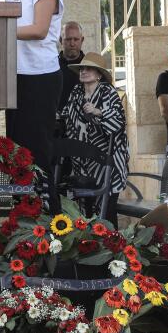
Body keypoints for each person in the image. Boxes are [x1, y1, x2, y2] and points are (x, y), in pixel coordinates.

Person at [4, 0, 63, 188]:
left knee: (36, 152)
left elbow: (39, 29)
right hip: (14, 76)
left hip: (40, 78)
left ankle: (45, 217)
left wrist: (1, 30)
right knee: (15, 151)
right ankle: (20, 216)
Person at [61, 52, 128, 226]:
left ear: (99, 74)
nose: (84, 71)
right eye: (82, 68)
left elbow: (119, 122)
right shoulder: (76, 92)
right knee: (84, 212)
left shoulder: (108, 92)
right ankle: (87, 247)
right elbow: (66, 116)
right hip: (82, 163)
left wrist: (99, 112)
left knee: (106, 212)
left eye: (89, 69)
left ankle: (110, 246)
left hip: (108, 162)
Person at [58, 22, 86, 111]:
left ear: (82, 40)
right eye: (68, 39)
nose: (72, 44)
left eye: (76, 39)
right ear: (60, 40)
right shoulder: (51, 66)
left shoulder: (91, 68)